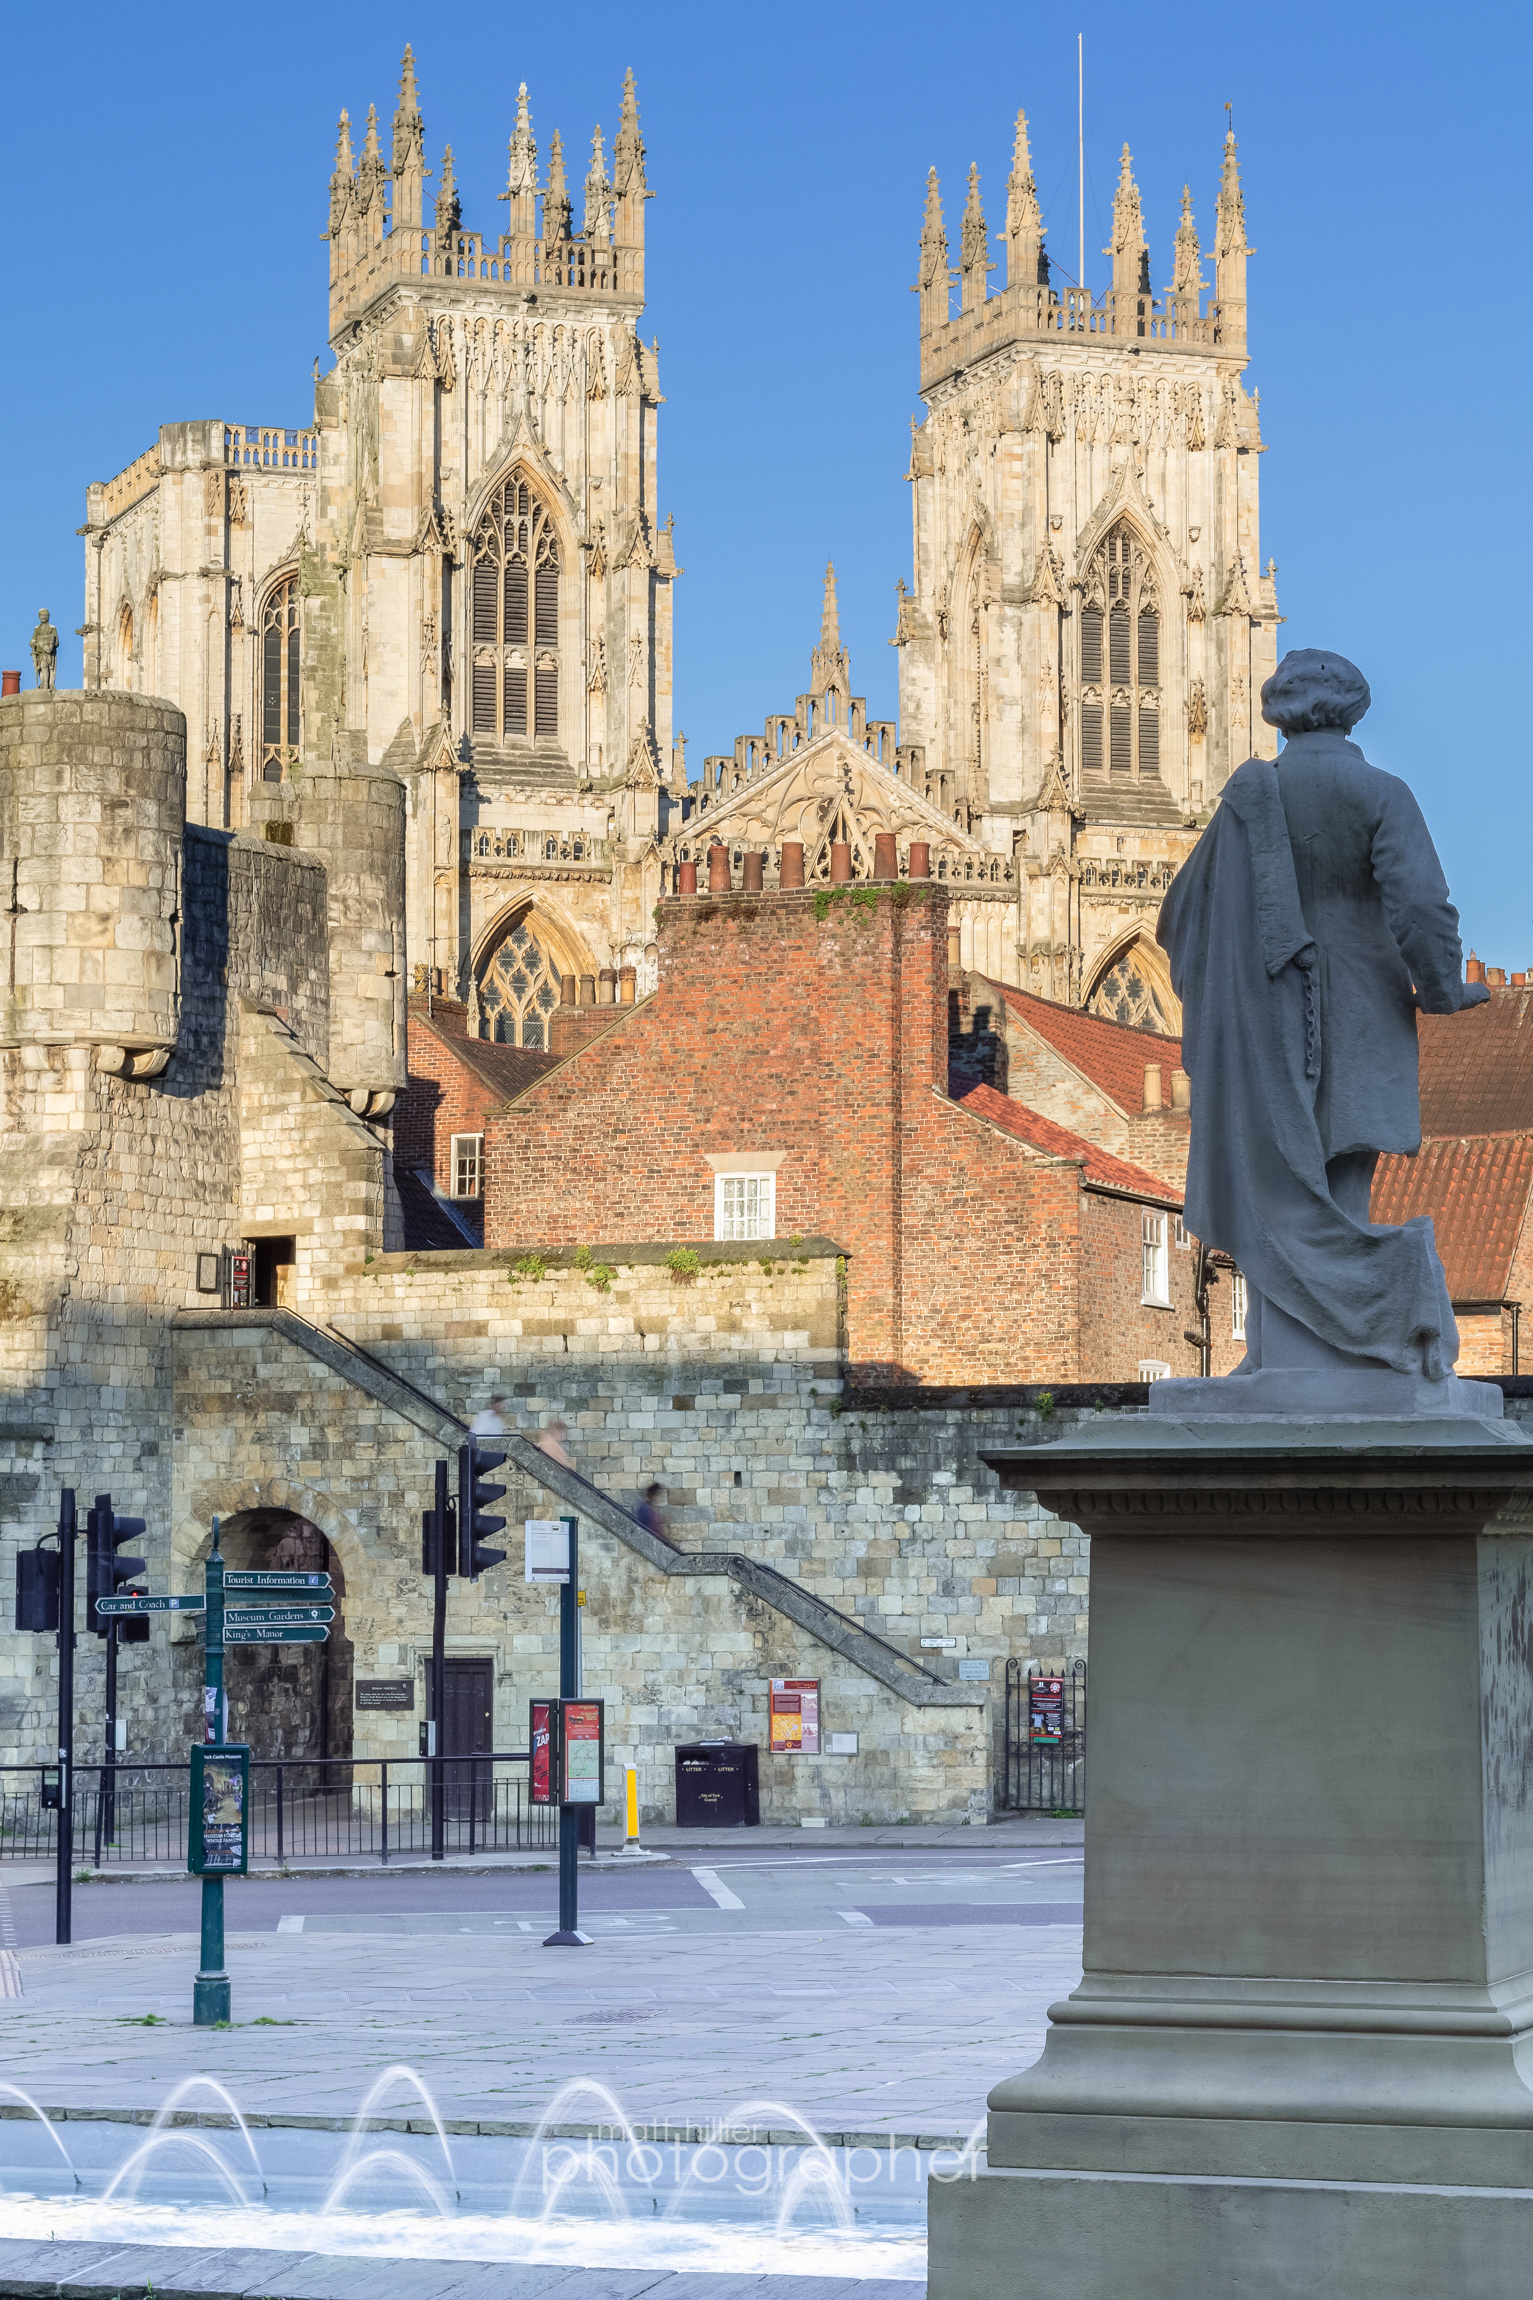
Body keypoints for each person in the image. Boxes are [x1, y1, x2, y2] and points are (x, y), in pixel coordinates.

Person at [1157, 647, 1488, 1385]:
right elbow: (1421, 909)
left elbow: (1181, 916)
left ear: (1281, 711)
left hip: (1260, 1015)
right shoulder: (1376, 791)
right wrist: (1439, 989)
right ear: (1353, 708)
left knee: (1274, 1182)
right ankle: (1337, 1352)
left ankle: (1279, 1357)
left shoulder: (1245, 802)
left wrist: (1231, 997)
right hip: (1361, 1006)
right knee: (1339, 1179)